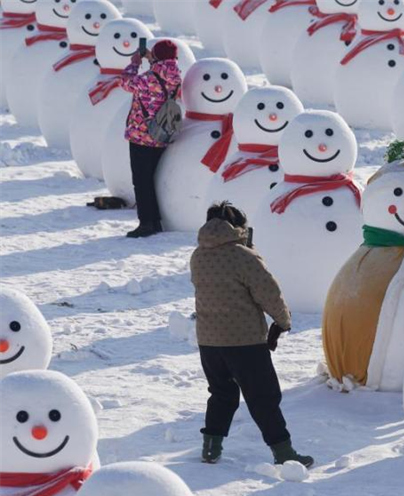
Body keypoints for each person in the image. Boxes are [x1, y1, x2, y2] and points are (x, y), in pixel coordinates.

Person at [190, 201, 313, 467]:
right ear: (238, 227)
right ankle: (284, 453)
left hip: (209, 342)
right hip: (244, 341)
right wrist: (282, 321)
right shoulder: (244, 256)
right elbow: (269, 291)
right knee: (263, 397)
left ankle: (211, 447)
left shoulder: (198, 255)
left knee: (221, 394)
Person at [119, 40, 182, 238]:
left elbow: (125, 82)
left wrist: (135, 62)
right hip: (162, 133)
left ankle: (147, 223)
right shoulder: (176, 76)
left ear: (156, 56)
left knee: (141, 181)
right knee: (150, 179)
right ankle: (154, 221)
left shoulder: (147, 78)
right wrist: (152, 59)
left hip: (141, 135)